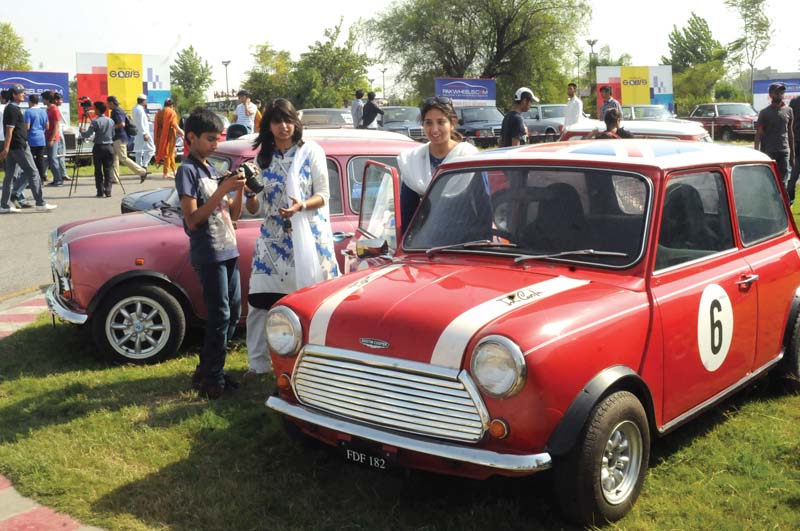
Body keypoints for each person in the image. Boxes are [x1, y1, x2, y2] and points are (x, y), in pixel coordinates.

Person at [244, 98, 340, 379]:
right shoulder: (262, 159)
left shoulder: (311, 152)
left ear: (296, 123)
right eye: (277, 121)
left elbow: (324, 195)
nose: (284, 127)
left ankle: (317, 361)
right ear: (268, 126)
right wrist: (248, 194)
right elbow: (257, 207)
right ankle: (258, 364)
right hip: (273, 241)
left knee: (313, 304)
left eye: (288, 121)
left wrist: (300, 207)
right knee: (260, 301)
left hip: (309, 237)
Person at [175, 108, 245, 398]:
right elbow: (192, 219)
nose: (216, 144)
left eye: (218, 139)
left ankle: (207, 370)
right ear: (191, 138)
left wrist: (239, 189)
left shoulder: (210, 169)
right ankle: (212, 382)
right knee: (219, 316)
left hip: (228, 248)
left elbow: (234, 214)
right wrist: (221, 190)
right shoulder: (187, 170)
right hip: (209, 252)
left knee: (232, 315)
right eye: (210, 139)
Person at [398, 96, 479, 228]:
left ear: (452, 124)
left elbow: (482, 208)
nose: (434, 130)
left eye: (441, 122)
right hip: (424, 240)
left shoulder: (469, 158)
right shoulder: (413, 161)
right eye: (428, 123)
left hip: (463, 241)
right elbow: (407, 214)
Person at [0, 84, 56, 213]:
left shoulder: (12, 108)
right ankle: (40, 203)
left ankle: (4, 205)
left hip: (14, 147)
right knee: (33, 172)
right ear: (14, 95)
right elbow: (9, 130)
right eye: (21, 93)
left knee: (10, 176)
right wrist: (6, 148)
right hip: (19, 146)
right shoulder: (12, 109)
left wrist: (7, 148)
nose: (24, 95)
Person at [755, 82, 794, 193]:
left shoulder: (789, 110)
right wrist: (757, 154)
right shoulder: (764, 113)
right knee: (768, 180)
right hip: (769, 151)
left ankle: (782, 205)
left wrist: (793, 155)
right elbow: (758, 134)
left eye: (782, 92)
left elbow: (790, 132)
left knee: (783, 182)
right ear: (771, 94)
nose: (780, 94)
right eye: (777, 92)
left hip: (784, 151)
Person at [107, 96, 148, 183]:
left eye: (108, 103)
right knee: (114, 157)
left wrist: (111, 127)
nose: (107, 105)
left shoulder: (117, 111)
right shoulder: (116, 110)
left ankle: (142, 172)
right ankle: (115, 178)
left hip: (119, 138)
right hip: (116, 138)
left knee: (123, 158)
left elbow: (122, 124)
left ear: (111, 103)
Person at [80, 101, 116, 198]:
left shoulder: (95, 121)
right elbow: (113, 134)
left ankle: (100, 191)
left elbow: (88, 134)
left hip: (99, 147)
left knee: (98, 170)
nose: (93, 110)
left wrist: (82, 132)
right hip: (109, 147)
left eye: (95, 108)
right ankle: (108, 190)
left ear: (98, 110)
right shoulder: (110, 121)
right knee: (108, 170)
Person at [42, 91, 67, 186]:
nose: (42, 101)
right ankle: (56, 178)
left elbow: (56, 126)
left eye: (44, 99)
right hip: (47, 136)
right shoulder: (48, 109)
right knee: (49, 159)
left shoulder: (54, 109)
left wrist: (52, 139)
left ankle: (58, 179)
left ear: (48, 100)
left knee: (53, 158)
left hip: (53, 138)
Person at [154, 98, 184, 179]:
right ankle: (165, 173)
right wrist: (181, 131)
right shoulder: (171, 112)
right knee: (168, 154)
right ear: (172, 105)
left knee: (170, 154)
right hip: (169, 136)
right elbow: (174, 124)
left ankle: (174, 171)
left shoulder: (159, 113)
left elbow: (156, 125)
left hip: (160, 137)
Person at [133, 94, 154, 178]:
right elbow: (141, 122)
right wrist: (144, 133)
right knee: (151, 149)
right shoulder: (140, 109)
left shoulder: (136, 108)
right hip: (143, 133)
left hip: (138, 132)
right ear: (143, 101)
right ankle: (144, 166)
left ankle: (140, 169)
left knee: (139, 151)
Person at [52, 93, 71, 182]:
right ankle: (61, 175)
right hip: (57, 134)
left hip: (58, 133)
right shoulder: (54, 109)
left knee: (58, 155)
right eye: (60, 100)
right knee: (57, 155)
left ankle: (62, 174)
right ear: (56, 100)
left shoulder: (56, 109)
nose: (62, 101)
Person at [788, 93, 800, 203]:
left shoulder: (794, 102)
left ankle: (790, 199)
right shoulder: (795, 102)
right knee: (793, 175)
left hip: (796, 142)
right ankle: (790, 199)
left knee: (793, 175)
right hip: (797, 143)